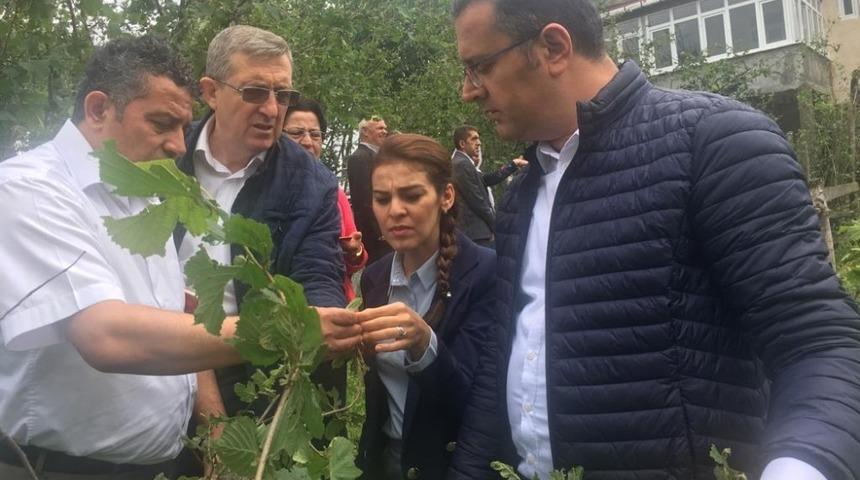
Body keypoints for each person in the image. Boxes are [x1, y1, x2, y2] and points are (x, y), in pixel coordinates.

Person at [450, 1, 860, 479]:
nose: (468, 92)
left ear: (553, 48)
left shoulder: (715, 144)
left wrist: (800, 469)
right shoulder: (522, 194)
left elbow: (820, 347)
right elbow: (503, 361)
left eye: (479, 67)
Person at [0, 36, 252, 480]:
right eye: (161, 123)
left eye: (182, 126)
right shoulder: (29, 190)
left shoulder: (142, 198)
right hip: (58, 469)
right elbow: (106, 336)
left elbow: (175, 320)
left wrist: (213, 429)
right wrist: (278, 333)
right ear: (98, 109)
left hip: (157, 466)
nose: (178, 145)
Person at [174, 26, 359, 425]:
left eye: (283, 94)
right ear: (210, 92)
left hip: (254, 376)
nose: (273, 110)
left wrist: (323, 319)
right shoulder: (168, 155)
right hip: (157, 365)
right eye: (255, 92)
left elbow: (319, 272)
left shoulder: (311, 182)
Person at [355, 134, 497, 480]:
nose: (395, 211)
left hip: (452, 465)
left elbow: (477, 403)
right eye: (382, 198)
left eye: (412, 195)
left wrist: (424, 345)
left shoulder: (485, 274)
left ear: (445, 196)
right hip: (386, 461)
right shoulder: (374, 279)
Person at [283, 97, 368, 301]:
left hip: (331, 298)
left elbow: (356, 260)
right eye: (296, 133)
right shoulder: (264, 187)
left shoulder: (333, 192)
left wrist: (354, 252)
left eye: (315, 135)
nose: (307, 142)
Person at [347, 115, 391, 264]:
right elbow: (364, 200)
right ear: (365, 131)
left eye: (385, 128)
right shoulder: (359, 158)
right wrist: (381, 232)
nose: (385, 131)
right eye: (380, 128)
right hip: (376, 237)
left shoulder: (380, 156)